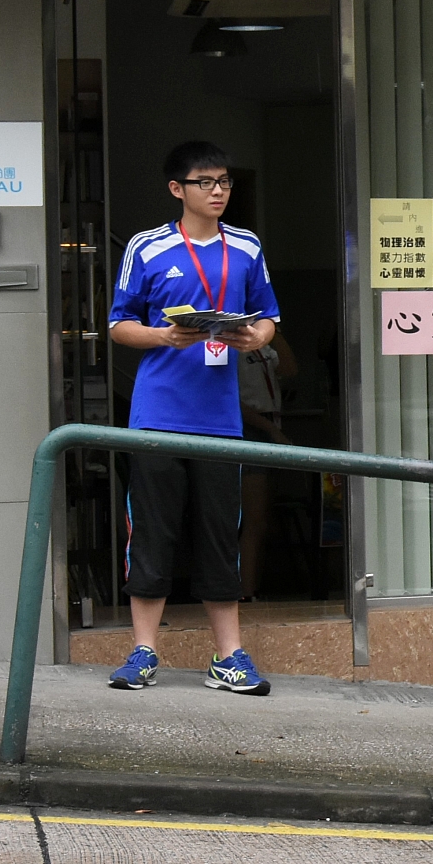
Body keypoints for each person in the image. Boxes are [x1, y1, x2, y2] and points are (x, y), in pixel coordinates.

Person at [105, 141, 281, 696]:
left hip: (219, 419)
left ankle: (228, 656)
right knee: (152, 533)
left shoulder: (247, 246)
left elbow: (270, 316)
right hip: (157, 415)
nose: (218, 191)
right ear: (177, 189)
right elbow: (116, 325)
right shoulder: (147, 247)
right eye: (205, 182)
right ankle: (143, 651)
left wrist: (256, 336)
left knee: (218, 535)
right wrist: (163, 334)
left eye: (225, 182)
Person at [237, 329, 298, 600]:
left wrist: (275, 331)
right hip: (250, 427)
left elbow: (290, 369)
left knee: (263, 520)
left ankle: (254, 588)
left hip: (271, 422)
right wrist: (271, 431)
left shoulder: (262, 346)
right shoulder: (229, 348)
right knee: (253, 518)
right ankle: (244, 593)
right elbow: (233, 403)